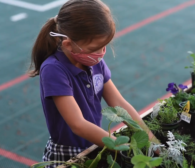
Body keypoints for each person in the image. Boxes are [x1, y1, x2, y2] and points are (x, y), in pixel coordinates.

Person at [29, 0, 158, 167]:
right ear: (68, 44)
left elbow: (119, 104)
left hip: (95, 143)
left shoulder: (94, 62)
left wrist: (150, 138)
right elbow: (78, 125)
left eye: (104, 46)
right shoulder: (54, 70)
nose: (101, 53)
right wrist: (121, 147)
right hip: (68, 152)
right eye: (95, 48)